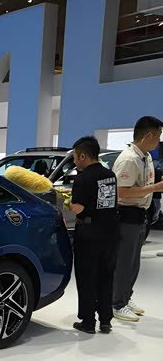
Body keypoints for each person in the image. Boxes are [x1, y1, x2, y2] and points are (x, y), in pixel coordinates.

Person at [111, 116, 163, 322]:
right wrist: (156, 188)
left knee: (133, 263)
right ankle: (116, 303)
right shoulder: (129, 159)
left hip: (141, 214)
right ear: (148, 135)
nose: (159, 140)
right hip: (127, 214)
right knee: (124, 262)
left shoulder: (145, 157)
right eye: (158, 135)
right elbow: (121, 192)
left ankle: (125, 297)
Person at [68, 136, 119, 334]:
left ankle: (88, 322)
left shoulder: (82, 178)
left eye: (75, 157)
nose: (74, 161)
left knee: (87, 277)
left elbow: (78, 208)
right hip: (110, 232)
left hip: (89, 235)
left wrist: (69, 203)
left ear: (83, 156)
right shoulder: (110, 175)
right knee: (106, 277)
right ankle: (105, 320)